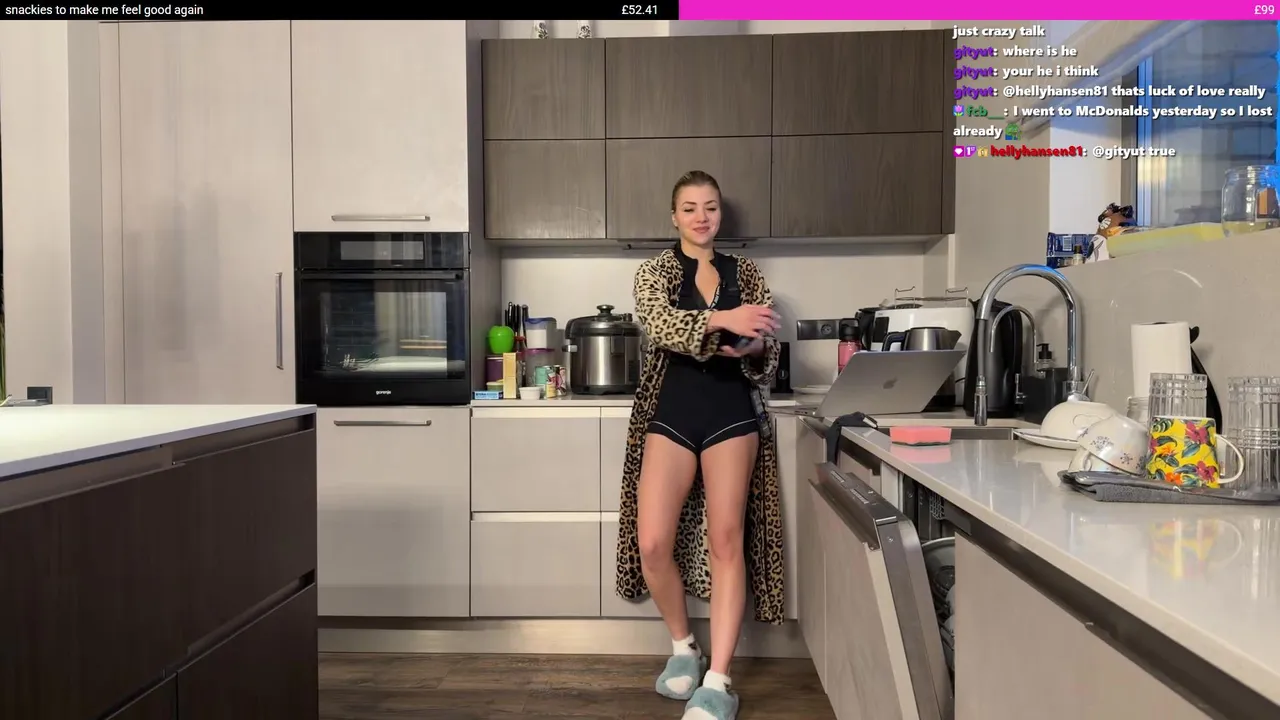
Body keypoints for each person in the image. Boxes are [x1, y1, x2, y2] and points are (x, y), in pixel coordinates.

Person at [613, 170, 786, 720]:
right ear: (675, 216)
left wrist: (754, 348)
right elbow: (660, 323)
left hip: (731, 413)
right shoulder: (656, 270)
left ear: (720, 214)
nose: (701, 217)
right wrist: (725, 319)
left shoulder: (746, 272)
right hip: (671, 413)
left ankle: (719, 679)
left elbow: (768, 346)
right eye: (690, 208)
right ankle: (684, 647)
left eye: (710, 207)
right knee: (652, 543)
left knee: (726, 540)